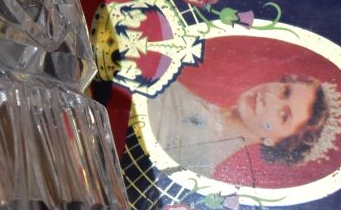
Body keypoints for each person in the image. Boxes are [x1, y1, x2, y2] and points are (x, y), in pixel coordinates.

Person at [146, 73, 341, 182]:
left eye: (283, 115)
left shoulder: (194, 161)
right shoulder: (203, 107)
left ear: (275, 142)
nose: (270, 99)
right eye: (285, 90)